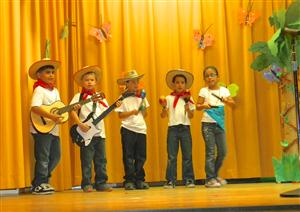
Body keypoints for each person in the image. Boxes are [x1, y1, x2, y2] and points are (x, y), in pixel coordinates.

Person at [70, 65, 113, 192]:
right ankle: (87, 183)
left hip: (100, 134)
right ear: (82, 82)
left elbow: (106, 110)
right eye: (87, 80)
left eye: (92, 80)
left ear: (96, 82)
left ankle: (101, 183)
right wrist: (79, 124)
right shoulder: (78, 97)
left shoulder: (100, 96)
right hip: (86, 134)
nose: (89, 82)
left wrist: (116, 104)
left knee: (101, 160)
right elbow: (71, 111)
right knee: (87, 160)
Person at [196, 66, 235, 188]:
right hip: (207, 124)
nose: (210, 77)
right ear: (204, 79)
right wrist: (203, 106)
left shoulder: (224, 90)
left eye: (212, 75)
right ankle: (209, 179)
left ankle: (214, 174)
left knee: (223, 152)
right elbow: (197, 105)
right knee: (210, 152)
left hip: (220, 125)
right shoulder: (203, 91)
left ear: (217, 77)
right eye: (207, 76)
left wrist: (226, 100)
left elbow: (233, 104)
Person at [29, 58, 63, 194]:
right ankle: (40, 183)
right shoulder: (39, 89)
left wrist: (64, 114)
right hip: (41, 128)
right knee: (43, 157)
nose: (51, 75)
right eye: (48, 72)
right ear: (39, 75)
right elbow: (35, 108)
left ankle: (43, 180)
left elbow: (58, 108)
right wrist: (52, 117)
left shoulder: (55, 91)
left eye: (53, 72)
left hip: (53, 129)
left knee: (56, 156)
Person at [159, 69, 196, 189]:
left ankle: (189, 179)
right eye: (177, 82)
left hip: (185, 128)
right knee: (172, 156)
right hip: (173, 129)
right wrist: (164, 107)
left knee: (187, 155)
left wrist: (188, 108)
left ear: (185, 85)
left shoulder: (189, 98)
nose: (180, 85)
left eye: (182, 82)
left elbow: (192, 116)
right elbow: (163, 116)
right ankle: (170, 180)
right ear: (174, 84)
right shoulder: (169, 98)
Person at [115, 70, 150, 190]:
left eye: (137, 81)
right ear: (127, 83)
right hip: (127, 129)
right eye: (133, 82)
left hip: (141, 129)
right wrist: (131, 112)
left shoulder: (141, 96)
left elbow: (145, 114)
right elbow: (120, 116)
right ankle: (129, 180)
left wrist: (142, 104)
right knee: (128, 156)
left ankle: (139, 179)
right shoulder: (122, 97)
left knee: (141, 156)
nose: (136, 84)